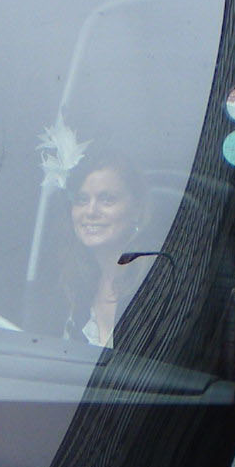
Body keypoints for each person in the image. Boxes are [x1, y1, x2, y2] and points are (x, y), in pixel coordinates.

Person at [60, 146, 152, 347]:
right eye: (82, 200)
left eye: (107, 199)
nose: (91, 211)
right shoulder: (79, 285)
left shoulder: (155, 283)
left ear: (137, 209)